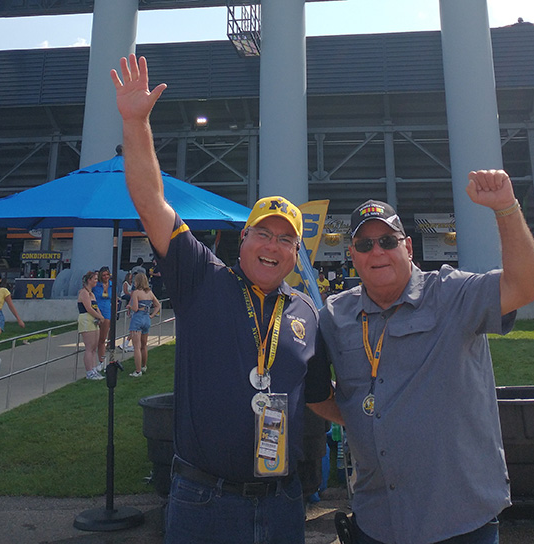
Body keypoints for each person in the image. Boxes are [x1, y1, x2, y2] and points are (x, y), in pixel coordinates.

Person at [111, 53, 332, 544]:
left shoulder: (307, 312)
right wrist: (136, 123)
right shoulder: (201, 278)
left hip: (283, 504)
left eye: (285, 239)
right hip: (203, 502)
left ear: (296, 254)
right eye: (262, 234)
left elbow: (320, 398)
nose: (272, 246)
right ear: (243, 240)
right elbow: (151, 202)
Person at [312, 170, 534, 544]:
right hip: (378, 521)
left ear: (408, 248)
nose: (378, 252)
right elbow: (323, 392)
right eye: (365, 244)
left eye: (387, 240)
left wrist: (505, 209)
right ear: (351, 254)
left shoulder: (452, 294)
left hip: (459, 518)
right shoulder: (335, 316)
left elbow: (526, 285)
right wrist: (365, 413)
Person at [127, 272, 160, 377]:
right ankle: (144, 366)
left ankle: (137, 371)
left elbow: (135, 308)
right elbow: (158, 305)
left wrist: (129, 306)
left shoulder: (136, 293)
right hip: (146, 318)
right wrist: (152, 315)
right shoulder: (149, 292)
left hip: (137, 318)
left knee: (136, 346)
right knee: (144, 345)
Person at [77, 271, 106, 380]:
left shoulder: (92, 294)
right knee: (89, 347)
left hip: (94, 319)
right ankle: (89, 371)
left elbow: (95, 307)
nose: (96, 281)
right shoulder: (83, 293)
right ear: (89, 280)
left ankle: (94, 369)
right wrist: (99, 316)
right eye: (94, 279)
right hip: (86, 319)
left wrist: (100, 316)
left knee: (94, 346)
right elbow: (88, 308)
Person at [92, 266, 113, 368]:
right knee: (95, 338)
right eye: (103, 275)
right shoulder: (96, 286)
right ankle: (95, 360)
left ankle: (102, 361)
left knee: (103, 338)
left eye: (107, 275)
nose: (105, 277)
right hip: (97, 310)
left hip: (107, 311)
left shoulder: (112, 285)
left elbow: (114, 298)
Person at [119, 272, 134, 352]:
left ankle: (126, 344)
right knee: (134, 329)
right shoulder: (125, 283)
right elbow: (125, 291)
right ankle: (126, 344)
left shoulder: (132, 284)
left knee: (134, 330)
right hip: (125, 295)